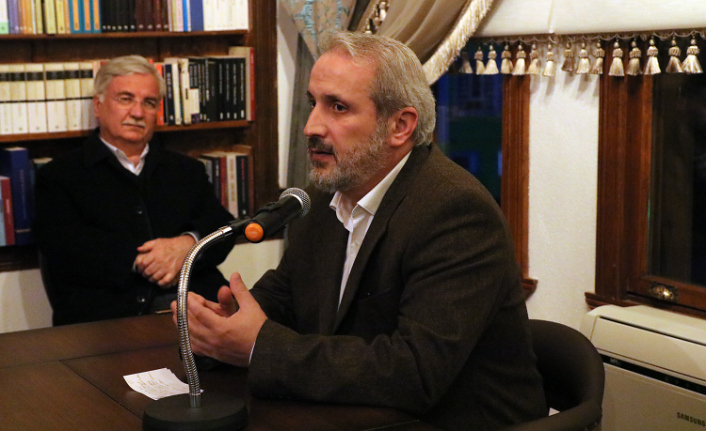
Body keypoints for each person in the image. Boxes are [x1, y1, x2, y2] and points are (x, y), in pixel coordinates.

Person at [176, 32, 546, 430]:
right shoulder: (322, 198)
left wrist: (257, 346)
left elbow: (414, 372)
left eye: (338, 107)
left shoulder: (455, 212)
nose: (311, 126)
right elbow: (286, 297)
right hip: (361, 415)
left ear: (400, 126)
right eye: (313, 103)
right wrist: (224, 325)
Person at [34, 55, 236, 326]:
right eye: (125, 99)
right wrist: (143, 261)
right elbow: (64, 247)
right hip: (107, 320)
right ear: (98, 106)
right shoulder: (59, 175)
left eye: (148, 103)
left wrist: (189, 245)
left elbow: (223, 228)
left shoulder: (186, 169)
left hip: (197, 308)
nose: (138, 113)